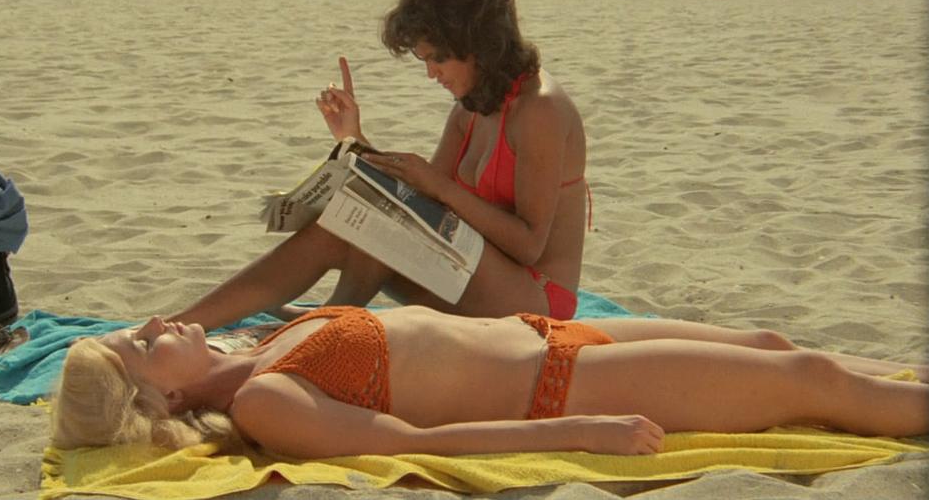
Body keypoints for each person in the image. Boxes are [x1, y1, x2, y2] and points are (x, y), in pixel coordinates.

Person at [170, 0, 589, 331]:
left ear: (478, 43)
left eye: (437, 59)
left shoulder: (540, 110)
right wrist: (353, 139)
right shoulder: (473, 106)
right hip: (474, 275)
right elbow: (421, 206)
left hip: (536, 299)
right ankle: (182, 324)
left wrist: (441, 187)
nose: (431, 74)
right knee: (347, 223)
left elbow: (529, 244)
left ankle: (324, 325)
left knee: (375, 227)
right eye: (424, 60)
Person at [51, 305, 929, 458]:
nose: (159, 321)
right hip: (564, 388)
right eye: (145, 343)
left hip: (548, 335)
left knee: (770, 342)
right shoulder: (264, 401)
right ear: (163, 398)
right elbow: (419, 443)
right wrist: (573, 432)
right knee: (809, 375)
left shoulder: (256, 347)